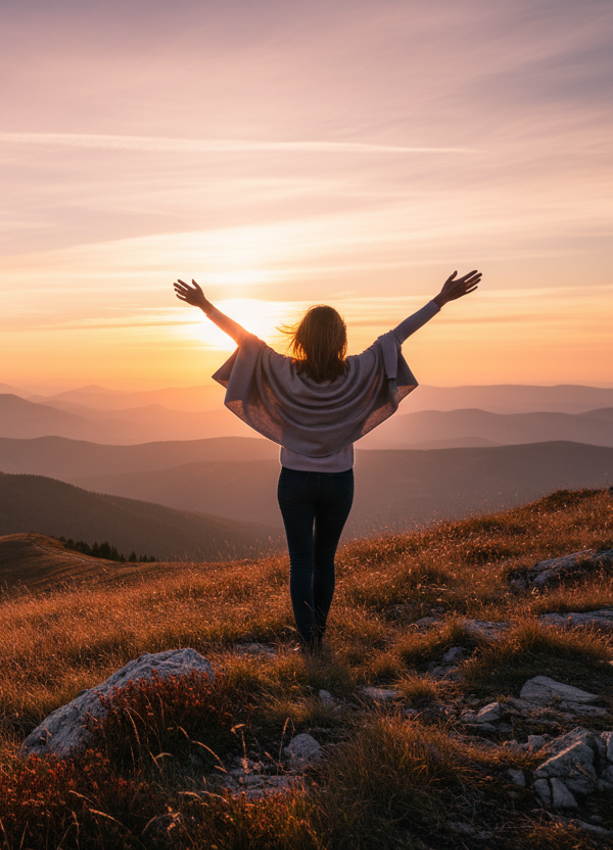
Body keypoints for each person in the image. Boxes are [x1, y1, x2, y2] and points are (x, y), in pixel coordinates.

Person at [174, 271, 480, 654]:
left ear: (300, 338)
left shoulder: (283, 371)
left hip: (295, 482)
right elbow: (399, 335)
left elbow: (243, 339)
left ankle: (309, 644)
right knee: (326, 560)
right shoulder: (358, 371)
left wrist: (204, 305)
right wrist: (440, 299)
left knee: (301, 563)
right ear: (341, 340)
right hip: (339, 482)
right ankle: (320, 632)